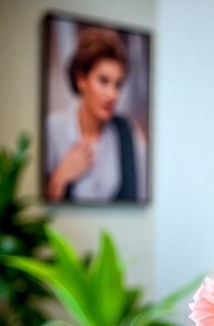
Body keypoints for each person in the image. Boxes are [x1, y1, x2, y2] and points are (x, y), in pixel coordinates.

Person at [45, 27, 147, 203]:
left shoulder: (128, 135)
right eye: (103, 81)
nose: (112, 94)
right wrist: (59, 178)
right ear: (81, 79)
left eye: (118, 85)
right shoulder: (52, 130)